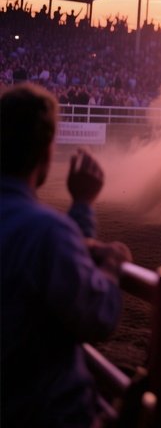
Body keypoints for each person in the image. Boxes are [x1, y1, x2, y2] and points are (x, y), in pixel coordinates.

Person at [0, 82, 132, 427]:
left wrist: (80, 217)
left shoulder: (45, 231)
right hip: (42, 412)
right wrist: (113, 264)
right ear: (45, 152)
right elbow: (97, 315)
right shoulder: (45, 230)